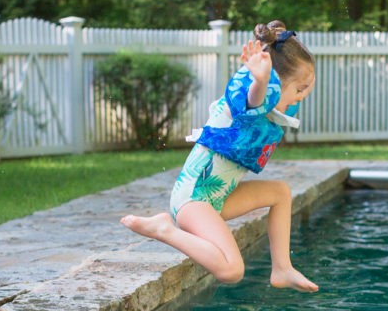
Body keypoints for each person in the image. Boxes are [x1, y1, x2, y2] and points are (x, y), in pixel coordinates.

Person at [121, 20, 318, 292]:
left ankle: (282, 268)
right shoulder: (250, 98)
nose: (302, 97)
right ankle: (164, 228)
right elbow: (254, 100)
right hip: (193, 198)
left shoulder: (265, 110)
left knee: (281, 192)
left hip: (217, 198)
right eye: (300, 89)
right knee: (232, 270)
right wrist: (261, 79)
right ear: (275, 80)